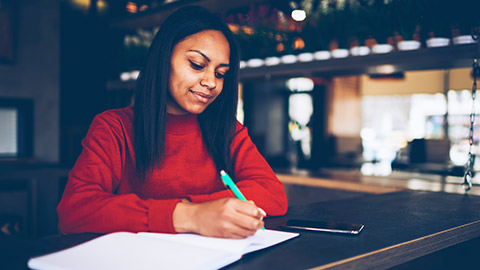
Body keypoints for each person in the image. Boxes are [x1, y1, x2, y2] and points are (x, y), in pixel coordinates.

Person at [57, 6, 288, 239]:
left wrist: (194, 209)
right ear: (163, 58)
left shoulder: (226, 129)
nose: (211, 82)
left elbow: (273, 194)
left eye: (221, 74)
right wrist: (192, 216)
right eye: (197, 64)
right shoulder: (114, 128)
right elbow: (75, 210)